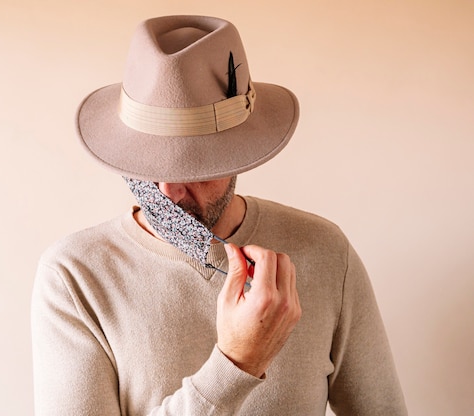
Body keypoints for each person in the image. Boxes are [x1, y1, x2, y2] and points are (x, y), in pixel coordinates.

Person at [31, 15, 407, 415]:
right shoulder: (75, 276)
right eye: (147, 162)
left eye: (193, 166)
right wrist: (236, 365)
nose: (168, 191)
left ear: (239, 153)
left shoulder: (325, 252)